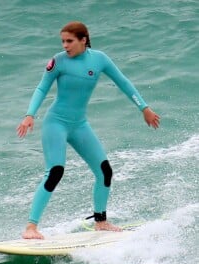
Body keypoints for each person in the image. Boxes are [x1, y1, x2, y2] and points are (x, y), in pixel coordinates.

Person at [17, 21, 160, 239]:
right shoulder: (58, 62)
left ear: (83, 40)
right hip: (56, 123)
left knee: (104, 171)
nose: (65, 46)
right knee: (55, 171)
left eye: (70, 41)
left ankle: (100, 222)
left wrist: (144, 108)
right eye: (63, 41)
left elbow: (123, 82)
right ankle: (31, 227)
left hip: (79, 125)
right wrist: (29, 115)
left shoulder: (99, 59)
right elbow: (42, 87)